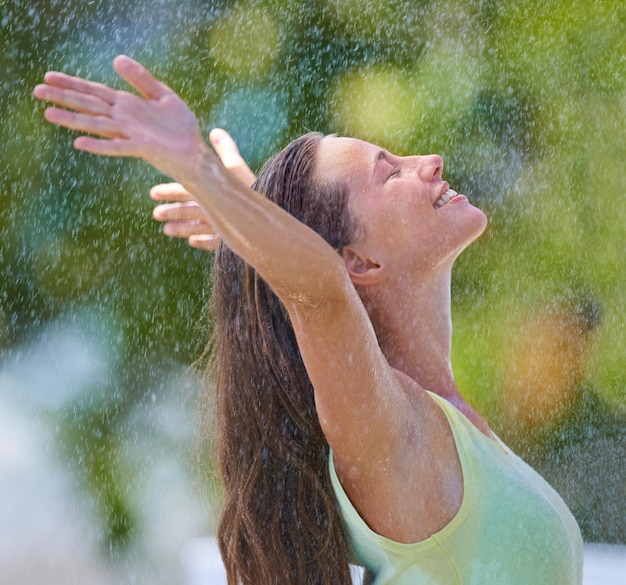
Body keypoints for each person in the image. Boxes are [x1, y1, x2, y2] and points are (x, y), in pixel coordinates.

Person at [33, 56, 583, 585]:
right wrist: (201, 172)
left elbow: (316, 275)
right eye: (388, 172)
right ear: (358, 263)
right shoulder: (390, 436)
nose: (430, 161)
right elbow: (320, 291)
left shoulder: (444, 425)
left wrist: (250, 218)